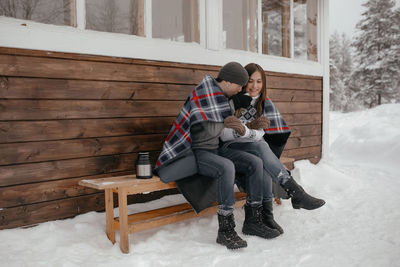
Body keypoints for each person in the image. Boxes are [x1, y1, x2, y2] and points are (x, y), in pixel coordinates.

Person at [155, 62, 279, 250]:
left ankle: (253, 221)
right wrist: (229, 113)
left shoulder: (222, 98)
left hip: (216, 149)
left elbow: (225, 123)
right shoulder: (203, 93)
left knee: (254, 161)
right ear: (228, 81)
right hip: (199, 151)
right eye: (239, 85)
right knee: (226, 167)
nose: (240, 90)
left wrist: (249, 126)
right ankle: (226, 231)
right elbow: (208, 125)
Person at [220, 63, 326, 234]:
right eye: (251, 81)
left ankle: (267, 216)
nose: (255, 86)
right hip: (231, 146)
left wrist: (252, 132)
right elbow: (227, 132)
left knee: (262, 157)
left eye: (259, 81)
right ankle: (295, 192)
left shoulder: (264, 103)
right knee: (261, 146)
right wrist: (250, 130)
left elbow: (266, 133)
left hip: (254, 148)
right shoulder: (234, 100)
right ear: (243, 82)